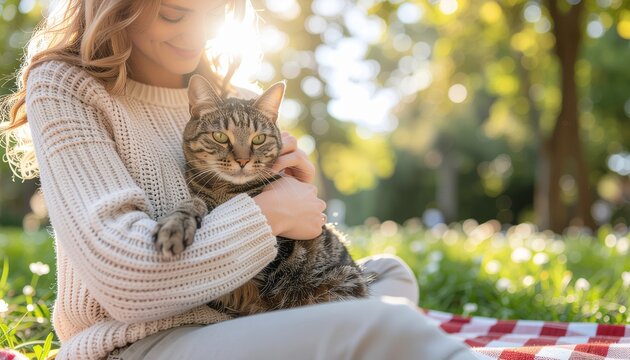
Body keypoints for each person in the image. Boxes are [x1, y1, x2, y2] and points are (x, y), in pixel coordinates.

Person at [0, 0, 478, 359]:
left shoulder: (240, 100)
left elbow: (291, 236)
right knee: (384, 325)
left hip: (252, 315)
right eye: (173, 14)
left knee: (391, 271)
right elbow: (127, 282)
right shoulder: (68, 85)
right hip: (146, 342)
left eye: (216, 12)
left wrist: (301, 203)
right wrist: (268, 215)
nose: (197, 35)